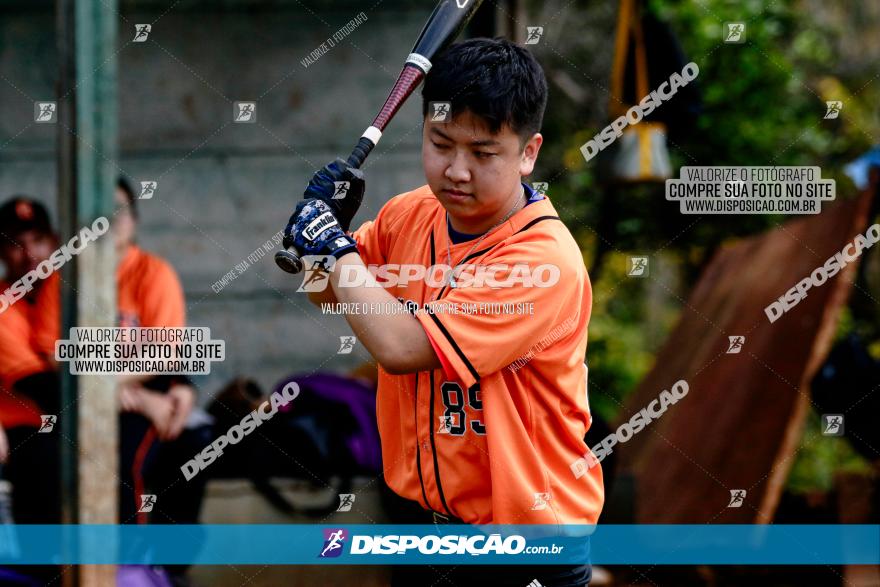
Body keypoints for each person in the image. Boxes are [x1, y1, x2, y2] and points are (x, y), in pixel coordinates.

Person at [283, 38, 603, 586]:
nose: (456, 170)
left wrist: (333, 247)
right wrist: (318, 245)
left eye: (483, 153)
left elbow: (401, 347)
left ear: (528, 153)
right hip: (421, 530)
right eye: (441, 143)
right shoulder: (409, 214)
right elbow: (329, 294)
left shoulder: (541, 261)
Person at [0, 184, 208, 583]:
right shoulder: (26, 298)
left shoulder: (137, 273)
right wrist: (132, 397)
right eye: (14, 244)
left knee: (189, 446)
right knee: (57, 463)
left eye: (39, 240)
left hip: (91, 409)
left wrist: (179, 384)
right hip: (36, 425)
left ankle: (154, 570)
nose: (29, 254)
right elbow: (45, 380)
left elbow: (165, 352)